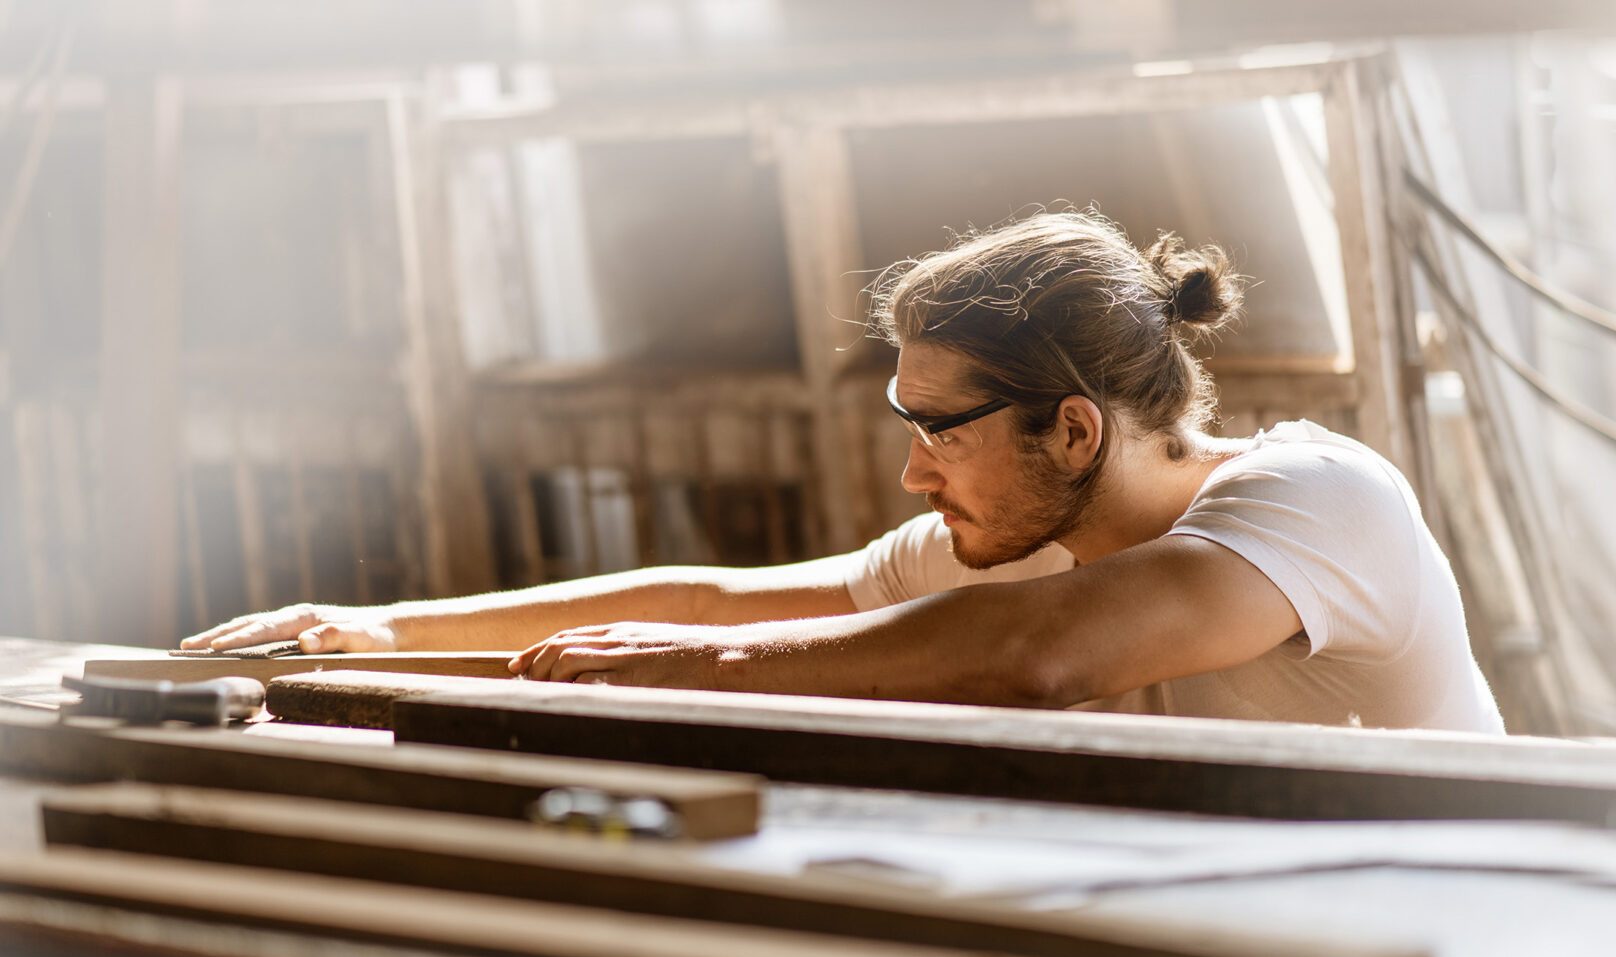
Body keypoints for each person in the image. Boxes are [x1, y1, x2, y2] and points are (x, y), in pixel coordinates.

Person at [184, 210, 1504, 733]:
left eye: (942, 427)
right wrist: (374, 630)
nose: (917, 471)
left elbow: (1047, 655)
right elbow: (718, 601)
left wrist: (689, 677)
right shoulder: (1012, 543)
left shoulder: (1319, 500)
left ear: (1076, 432)